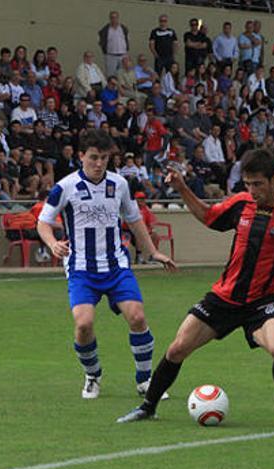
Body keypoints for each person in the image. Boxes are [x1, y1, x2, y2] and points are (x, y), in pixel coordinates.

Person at [117, 148, 274, 430]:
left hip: (264, 301)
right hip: (224, 297)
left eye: (258, 184)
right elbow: (207, 216)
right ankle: (148, 406)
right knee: (178, 348)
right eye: (248, 184)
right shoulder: (240, 203)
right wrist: (182, 188)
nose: (252, 191)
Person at [37, 130, 176, 399]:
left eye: (104, 158)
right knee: (83, 325)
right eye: (93, 158)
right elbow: (43, 222)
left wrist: (153, 252)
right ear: (81, 156)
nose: (99, 163)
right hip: (81, 268)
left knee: (137, 316)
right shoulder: (64, 187)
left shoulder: (119, 184)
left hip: (115, 265)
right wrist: (53, 242)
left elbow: (135, 220)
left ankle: (145, 381)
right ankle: (93, 375)